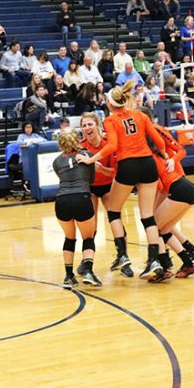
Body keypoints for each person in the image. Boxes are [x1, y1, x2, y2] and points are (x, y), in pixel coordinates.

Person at [74, 81, 173, 281]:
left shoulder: (111, 120)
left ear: (110, 104)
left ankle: (122, 255)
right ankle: (153, 260)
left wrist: (91, 159)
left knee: (113, 212)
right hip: (148, 164)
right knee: (148, 216)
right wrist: (165, 156)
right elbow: (159, 141)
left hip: (128, 165)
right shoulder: (140, 115)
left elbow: (112, 146)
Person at [138, 107, 194, 278]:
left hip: (179, 189)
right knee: (164, 230)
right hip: (185, 188)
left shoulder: (150, 157)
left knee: (155, 228)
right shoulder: (156, 154)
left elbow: (158, 182)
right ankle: (189, 262)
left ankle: (165, 267)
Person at [79, 112, 133, 277]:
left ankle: (123, 258)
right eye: (84, 125)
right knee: (90, 225)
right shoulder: (80, 147)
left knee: (115, 218)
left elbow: (115, 173)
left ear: (97, 126)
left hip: (109, 186)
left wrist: (101, 169)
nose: (87, 128)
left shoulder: (107, 145)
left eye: (90, 124)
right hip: (90, 187)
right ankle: (86, 261)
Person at [53, 129, 101, 288]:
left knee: (69, 238)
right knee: (88, 238)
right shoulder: (86, 154)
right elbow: (91, 179)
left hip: (62, 200)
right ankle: (88, 271)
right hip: (81, 197)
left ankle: (68, 277)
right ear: (77, 140)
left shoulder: (57, 161)